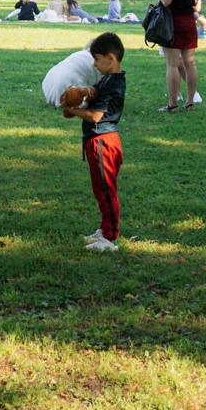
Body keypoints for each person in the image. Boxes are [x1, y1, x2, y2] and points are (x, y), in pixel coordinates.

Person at [62, 32, 127, 252]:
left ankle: (110, 239)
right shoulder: (111, 79)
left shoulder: (111, 82)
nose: (94, 64)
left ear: (110, 58)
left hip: (102, 142)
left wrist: (74, 110)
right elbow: (100, 97)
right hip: (104, 141)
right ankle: (105, 229)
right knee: (102, 189)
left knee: (105, 191)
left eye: (97, 59)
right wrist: (90, 92)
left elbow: (97, 116)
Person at [158, 0, 206, 111]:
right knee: (190, 64)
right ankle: (190, 102)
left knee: (172, 65)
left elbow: (166, 2)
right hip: (189, 22)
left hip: (174, 23)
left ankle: (173, 105)